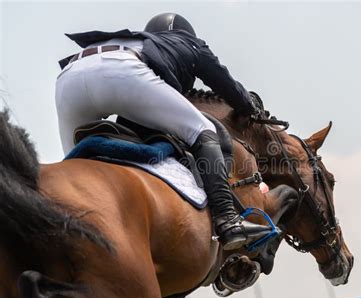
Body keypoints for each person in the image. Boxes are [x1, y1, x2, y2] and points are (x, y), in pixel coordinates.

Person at [56, 13, 270, 250]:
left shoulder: (141, 41)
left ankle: (64, 234)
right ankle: (228, 221)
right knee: (204, 129)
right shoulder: (190, 43)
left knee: (73, 168)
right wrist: (249, 105)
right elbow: (225, 84)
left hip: (68, 80)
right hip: (121, 71)